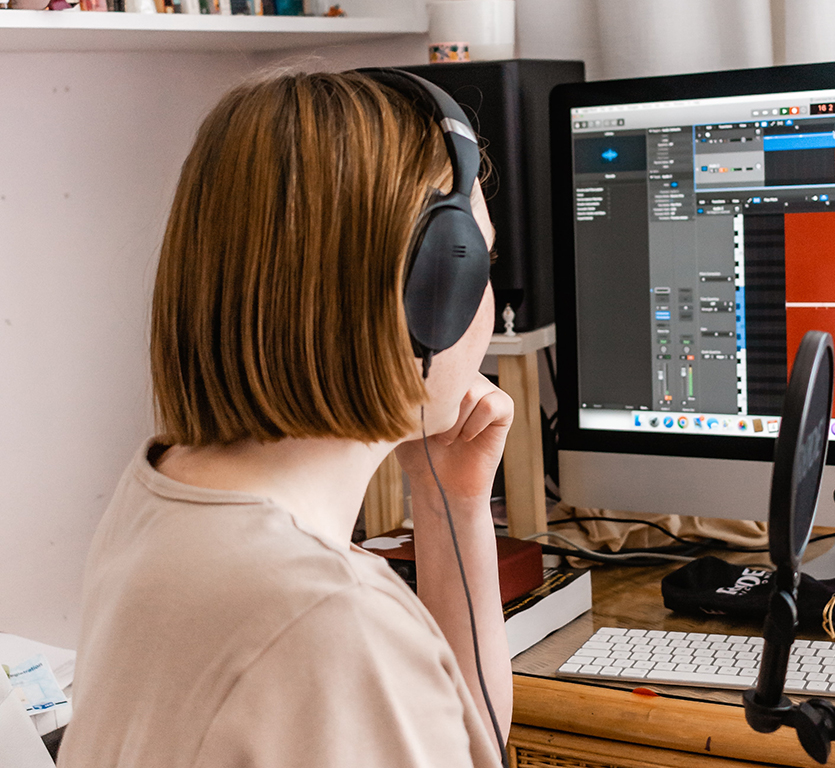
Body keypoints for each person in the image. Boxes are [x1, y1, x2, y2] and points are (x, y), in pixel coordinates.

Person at [57, 70, 513, 767]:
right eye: (477, 262)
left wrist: (454, 505)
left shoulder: (168, 486)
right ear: (431, 294)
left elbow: (464, 739)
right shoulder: (328, 615)